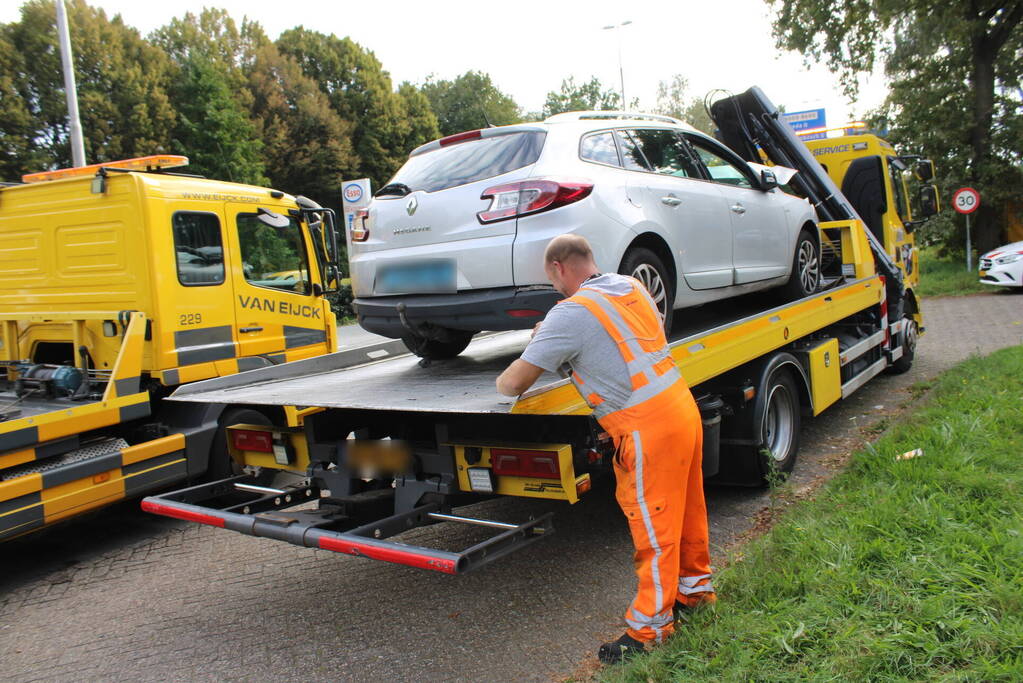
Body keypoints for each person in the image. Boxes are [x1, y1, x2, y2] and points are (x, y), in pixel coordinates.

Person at [496, 234, 714, 664]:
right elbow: (614, 339)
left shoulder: (569, 313)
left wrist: (539, 343)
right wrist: (553, 335)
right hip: (679, 408)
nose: (555, 288)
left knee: (652, 530)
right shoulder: (630, 286)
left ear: (558, 268)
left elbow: (513, 383)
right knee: (687, 511)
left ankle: (649, 631)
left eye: (552, 279)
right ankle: (695, 594)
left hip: (644, 428)